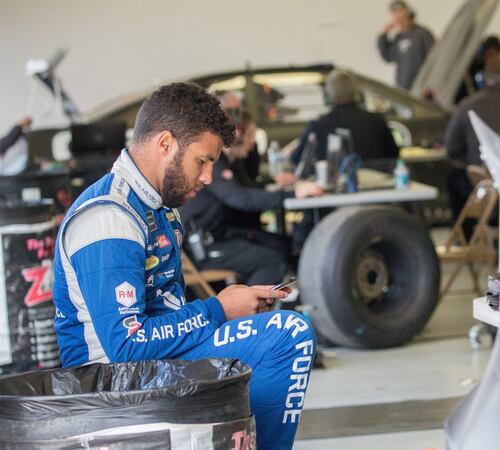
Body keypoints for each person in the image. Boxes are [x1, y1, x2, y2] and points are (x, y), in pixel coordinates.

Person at [52, 82, 315, 450]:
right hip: (108, 386)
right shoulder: (110, 218)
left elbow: (166, 316)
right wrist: (217, 309)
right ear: (165, 144)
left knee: (283, 329)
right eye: (202, 161)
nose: (208, 177)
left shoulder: (158, 208)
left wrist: (224, 312)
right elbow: (126, 345)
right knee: (288, 334)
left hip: (151, 365)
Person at [180, 111, 323, 285]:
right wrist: (293, 193)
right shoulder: (215, 165)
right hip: (203, 247)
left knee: (282, 245)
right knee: (271, 261)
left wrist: (271, 182)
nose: (252, 142)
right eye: (250, 136)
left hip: (218, 236)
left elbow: (244, 189)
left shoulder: (229, 162)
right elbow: (241, 198)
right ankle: (247, 310)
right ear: (236, 137)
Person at [444, 58, 500, 232]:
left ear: (481, 79)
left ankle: (464, 237)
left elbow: (451, 149)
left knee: (454, 179)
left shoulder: (467, 106)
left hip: (483, 185)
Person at [291, 69, 399, 164]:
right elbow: (395, 155)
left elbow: (295, 159)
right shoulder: (376, 121)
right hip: (378, 184)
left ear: (328, 94)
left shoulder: (317, 126)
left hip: (333, 185)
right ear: (355, 91)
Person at [377, 0, 435, 90]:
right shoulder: (398, 37)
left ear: (407, 12)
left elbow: (433, 59)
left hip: (421, 87)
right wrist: (383, 35)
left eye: (400, 12)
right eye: (395, 13)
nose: (398, 16)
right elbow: (387, 57)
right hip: (402, 89)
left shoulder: (423, 33)